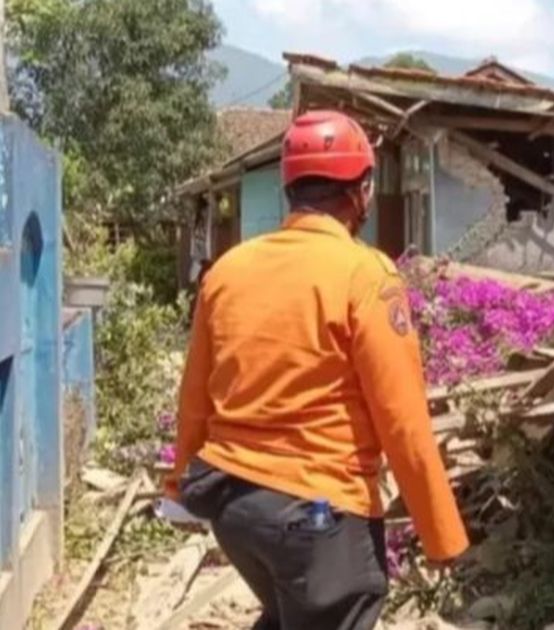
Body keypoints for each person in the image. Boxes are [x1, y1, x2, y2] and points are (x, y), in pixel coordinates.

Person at [164, 110, 468, 630]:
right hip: (319, 519)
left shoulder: (229, 270)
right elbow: (403, 420)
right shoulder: (365, 274)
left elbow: (195, 396)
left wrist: (178, 485)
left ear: (290, 187)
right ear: (362, 192)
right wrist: (442, 536)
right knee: (338, 606)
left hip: (233, 508)